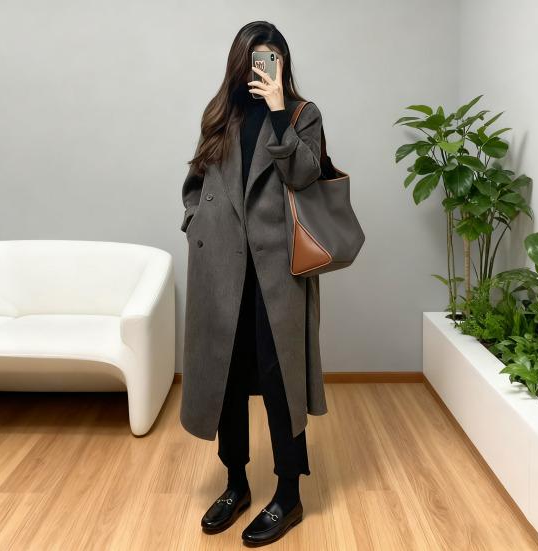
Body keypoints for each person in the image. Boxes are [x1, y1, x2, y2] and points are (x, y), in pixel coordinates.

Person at [179, 21, 328, 546]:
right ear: (238, 64)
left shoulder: (303, 115)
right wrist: (195, 219)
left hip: (276, 270)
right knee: (227, 375)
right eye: (254, 60)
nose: (261, 69)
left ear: (283, 65)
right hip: (221, 265)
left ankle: (288, 493)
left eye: (271, 60)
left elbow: (306, 176)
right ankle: (236, 483)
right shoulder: (220, 114)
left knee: (280, 377)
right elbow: (195, 180)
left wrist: (280, 110)